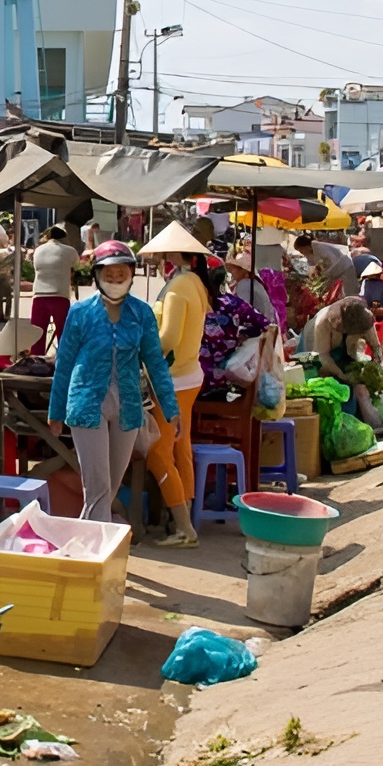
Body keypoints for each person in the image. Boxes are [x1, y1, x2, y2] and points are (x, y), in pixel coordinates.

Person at [47, 241, 180, 524]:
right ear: (97, 276)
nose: (116, 280)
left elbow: (155, 362)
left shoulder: (141, 314)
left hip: (128, 405)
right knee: (97, 488)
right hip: (86, 403)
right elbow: (64, 365)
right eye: (109, 275)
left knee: (110, 486)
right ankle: (97, 550)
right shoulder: (80, 312)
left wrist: (171, 408)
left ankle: (85, 540)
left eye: (121, 275)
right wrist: (55, 412)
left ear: (131, 275)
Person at [137, 222, 217, 548]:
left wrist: (140, 350)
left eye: (166, 250)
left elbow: (169, 337)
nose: (162, 255)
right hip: (190, 376)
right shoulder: (195, 282)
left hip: (172, 380)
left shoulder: (177, 287)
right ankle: (183, 520)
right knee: (181, 449)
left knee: (158, 452)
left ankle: (184, 528)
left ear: (177, 253)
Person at [300, 295, 383, 429]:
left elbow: (375, 346)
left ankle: (366, 422)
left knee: (358, 388)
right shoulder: (323, 322)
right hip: (315, 349)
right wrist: (342, 375)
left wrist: (378, 365)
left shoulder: (364, 319)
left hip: (344, 351)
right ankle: (338, 423)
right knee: (330, 386)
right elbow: (323, 357)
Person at [29, 226, 80, 355]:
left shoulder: (38, 250)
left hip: (39, 294)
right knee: (63, 331)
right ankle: (64, 357)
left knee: (37, 332)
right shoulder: (69, 250)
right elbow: (77, 265)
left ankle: (36, 358)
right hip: (60, 293)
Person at [225, 251, 280, 329]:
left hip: (258, 328)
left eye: (233, 269)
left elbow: (242, 310)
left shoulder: (244, 284)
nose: (231, 272)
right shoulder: (252, 282)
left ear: (242, 270)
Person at [294, 233, 359, 297]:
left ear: (306, 246)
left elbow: (332, 261)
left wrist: (324, 275)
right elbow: (315, 263)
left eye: (301, 251)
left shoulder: (319, 247)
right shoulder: (311, 251)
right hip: (336, 273)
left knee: (349, 292)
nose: (302, 253)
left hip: (345, 268)